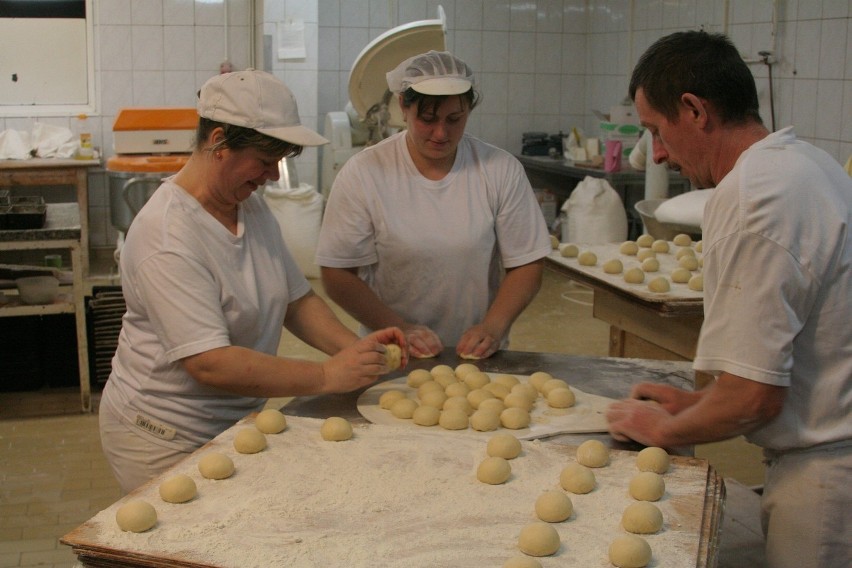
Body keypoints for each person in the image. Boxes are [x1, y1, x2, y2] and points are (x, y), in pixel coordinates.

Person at [605, 31, 851, 568]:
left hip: (830, 482)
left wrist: (665, 429)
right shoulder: (807, 164)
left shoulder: (751, 198)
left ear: (694, 110)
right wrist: (696, 405)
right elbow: (807, 350)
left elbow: (753, 398)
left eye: (656, 131)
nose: (659, 154)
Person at [99, 69, 407, 494]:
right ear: (219, 141)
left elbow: (296, 300)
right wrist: (325, 377)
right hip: (163, 432)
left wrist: (352, 351)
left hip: (233, 422)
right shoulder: (167, 234)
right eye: (264, 162)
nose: (272, 176)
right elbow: (210, 362)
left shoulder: (250, 207)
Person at [315, 51, 551, 360]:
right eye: (427, 119)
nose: (441, 133)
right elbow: (337, 273)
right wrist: (399, 327)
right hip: (393, 352)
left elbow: (527, 261)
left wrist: (494, 327)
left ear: (469, 108)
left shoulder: (499, 169)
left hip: (479, 354)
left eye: (455, 119)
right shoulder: (365, 173)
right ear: (403, 106)